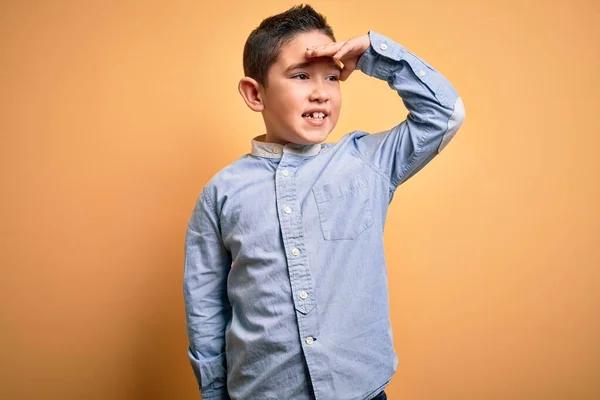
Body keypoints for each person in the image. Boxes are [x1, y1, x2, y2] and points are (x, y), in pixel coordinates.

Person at [183, 4, 465, 400]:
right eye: (301, 76)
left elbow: (444, 113)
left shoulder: (367, 163)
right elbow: (204, 304)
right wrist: (214, 392)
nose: (320, 92)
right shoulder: (221, 192)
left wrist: (373, 54)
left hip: (360, 391)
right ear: (254, 93)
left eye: (332, 77)